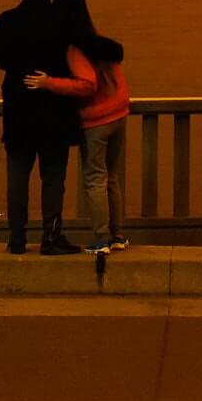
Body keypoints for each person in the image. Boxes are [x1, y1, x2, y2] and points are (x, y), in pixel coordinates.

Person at [0, 0, 94, 253]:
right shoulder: (60, 20)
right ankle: (51, 236)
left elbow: (1, 59)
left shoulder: (7, 20)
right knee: (53, 176)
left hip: (18, 108)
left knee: (17, 176)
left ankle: (16, 237)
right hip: (54, 109)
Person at [33, 32, 131, 252]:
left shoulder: (76, 49)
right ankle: (117, 236)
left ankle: (102, 238)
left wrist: (48, 83)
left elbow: (87, 84)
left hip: (97, 121)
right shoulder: (102, 43)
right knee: (111, 177)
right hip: (119, 113)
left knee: (95, 178)